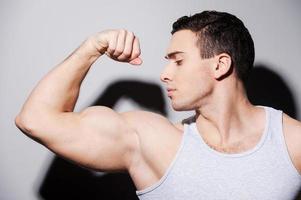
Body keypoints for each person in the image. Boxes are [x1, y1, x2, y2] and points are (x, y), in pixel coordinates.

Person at [15, 10, 301, 199]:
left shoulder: (293, 142)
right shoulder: (153, 142)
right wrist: (92, 48)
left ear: (220, 65)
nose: (164, 73)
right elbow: (35, 119)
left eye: (178, 60)